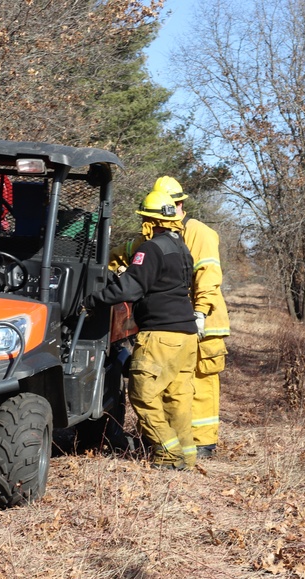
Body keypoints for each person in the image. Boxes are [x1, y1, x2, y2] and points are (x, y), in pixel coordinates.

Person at [112, 176, 230, 459]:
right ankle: (171, 445)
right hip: (172, 323)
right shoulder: (152, 235)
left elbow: (208, 277)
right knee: (169, 386)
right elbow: (124, 255)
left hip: (204, 321)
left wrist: (200, 312)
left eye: (175, 204)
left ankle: (201, 444)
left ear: (181, 204)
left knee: (197, 385)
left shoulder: (198, 233)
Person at [85, 190, 199, 469]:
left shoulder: (151, 248)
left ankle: (167, 453)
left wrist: (91, 299)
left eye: (145, 219)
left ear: (151, 220)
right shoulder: (181, 247)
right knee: (178, 399)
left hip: (160, 335)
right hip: (186, 336)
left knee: (143, 394)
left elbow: (131, 287)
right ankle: (186, 455)